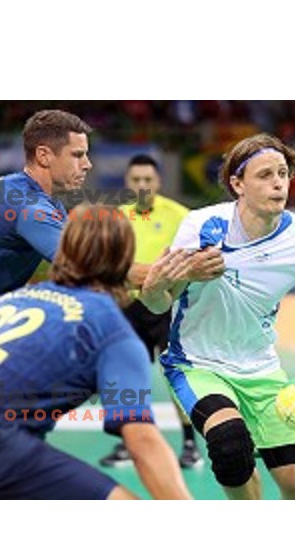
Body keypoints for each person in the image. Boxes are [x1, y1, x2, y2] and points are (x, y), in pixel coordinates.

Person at [0, 109, 223, 398]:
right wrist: (187, 268)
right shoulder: (28, 206)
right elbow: (94, 269)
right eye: (78, 155)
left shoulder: (26, 197)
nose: (87, 164)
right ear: (44, 155)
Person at [0, 205, 193, 500]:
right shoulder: (110, 327)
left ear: (62, 250)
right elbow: (142, 441)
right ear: (125, 258)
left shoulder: (11, 301)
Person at [140, 133, 295, 500]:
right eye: (265, 175)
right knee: (229, 447)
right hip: (197, 363)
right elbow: (158, 304)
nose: (278, 183)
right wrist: (159, 283)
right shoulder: (202, 227)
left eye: (283, 174)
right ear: (237, 184)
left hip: (261, 368)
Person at [99, 154, 203, 469]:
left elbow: (193, 263)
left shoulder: (180, 216)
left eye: (148, 179)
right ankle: (129, 444)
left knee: (175, 379)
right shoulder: (116, 217)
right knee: (129, 378)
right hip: (127, 309)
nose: (142, 185)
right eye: (136, 180)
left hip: (167, 309)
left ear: (157, 182)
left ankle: (189, 444)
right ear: (128, 183)